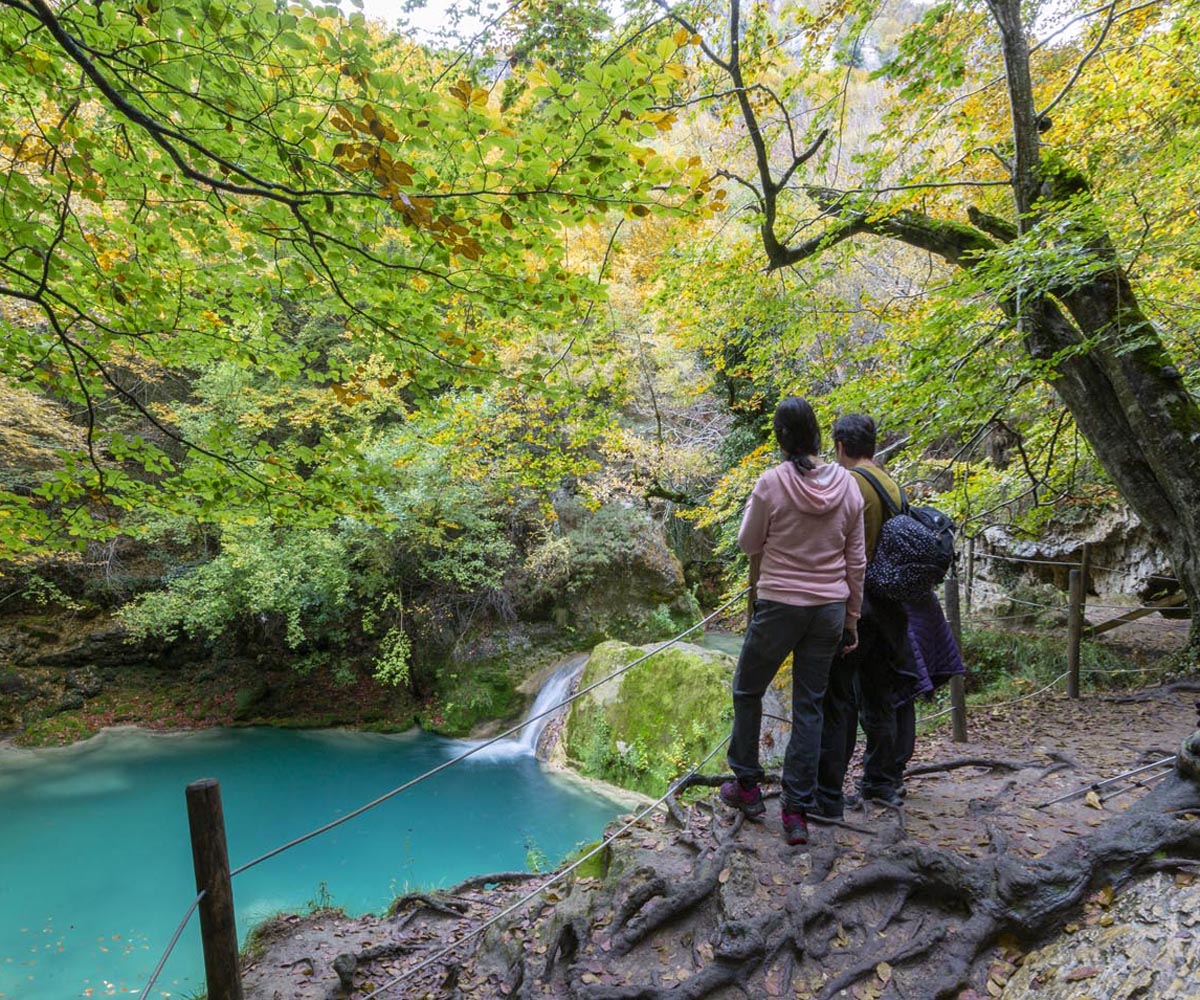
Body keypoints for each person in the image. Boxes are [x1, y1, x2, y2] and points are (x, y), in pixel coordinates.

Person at [721, 397, 866, 846]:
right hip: (827, 610)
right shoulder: (849, 486)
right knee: (810, 706)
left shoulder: (770, 483)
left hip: (780, 603)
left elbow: (748, 544)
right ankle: (796, 812)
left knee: (748, 689)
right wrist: (852, 617)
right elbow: (855, 560)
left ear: (781, 438)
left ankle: (747, 786)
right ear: (819, 434)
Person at [816, 414, 910, 817]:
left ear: (840, 446)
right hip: (891, 607)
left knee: (840, 702)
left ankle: (829, 793)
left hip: (858, 605)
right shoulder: (892, 484)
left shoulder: (849, 484)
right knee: (880, 697)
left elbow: (840, 548)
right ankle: (881, 782)